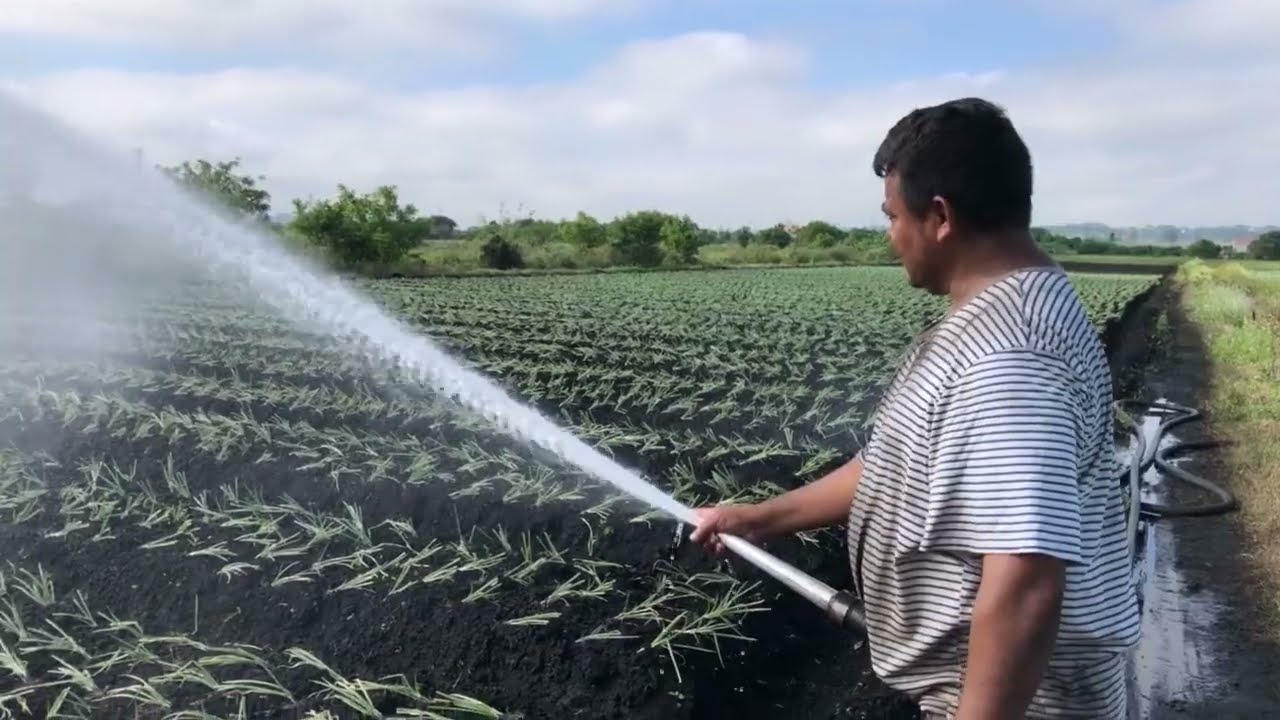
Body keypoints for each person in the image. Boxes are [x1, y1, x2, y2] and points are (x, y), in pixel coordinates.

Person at [689, 97, 1141, 719]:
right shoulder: (1007, 312)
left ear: (940, 216)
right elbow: (896, 462)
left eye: (893, 216)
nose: (890, 236)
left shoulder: (1010, 358)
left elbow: (1026, 578)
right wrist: (759, 519)